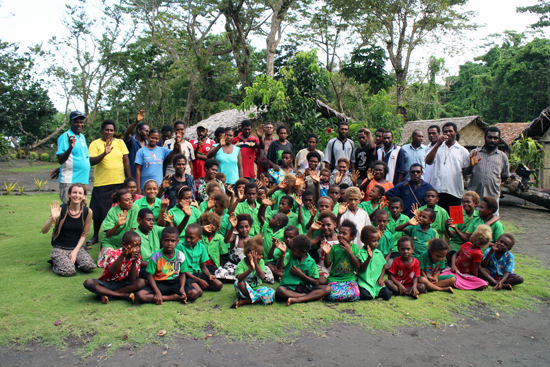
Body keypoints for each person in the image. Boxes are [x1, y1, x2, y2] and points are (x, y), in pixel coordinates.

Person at [88, 119, 131, 246]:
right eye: (106, 129)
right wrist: (104, 153)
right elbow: (91, 161)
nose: (109, 132)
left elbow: (126, 161)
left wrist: (128, 179)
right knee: (99, 211)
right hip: (102, 182)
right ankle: (95, 235)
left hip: (119, 182)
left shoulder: (120, 142)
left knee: (119, 208)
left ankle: (120, 233)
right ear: (102, 130)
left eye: (111, 130)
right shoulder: (95, 144)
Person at [41, 184, 96, 277]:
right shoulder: (61, 210)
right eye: (74, 192)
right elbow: (44, 230)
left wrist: (75, 251)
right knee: (69, 271)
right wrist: (52, 218)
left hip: (77, 248)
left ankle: (71, 261)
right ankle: (56, 263)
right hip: (60, 248)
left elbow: (84, 234)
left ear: (84, 196)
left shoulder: (87, 212)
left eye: (80, 193)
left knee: (88, 266)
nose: (77, 195)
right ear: (69, 194)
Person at [136, 227, 202, 304]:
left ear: (177, 241)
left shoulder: (180, 255)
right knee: (140, 296)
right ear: (161, 241)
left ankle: (172, 296)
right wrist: (157, 292)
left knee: (194, 293)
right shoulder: (156, 256)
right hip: (160, 283)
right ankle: (173, 297)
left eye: (172, 241)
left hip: (175, 282)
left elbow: (182, 274)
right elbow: (150, 276)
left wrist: (182, 288)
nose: (169, 243)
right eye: (166, 240)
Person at [83, 231, 145, 304]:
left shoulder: (137, 257)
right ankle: (121, 295)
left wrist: (134, 261)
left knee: (141, 282)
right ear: (124, 245)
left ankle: (108, 294)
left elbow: (132, 280)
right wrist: (123, 255)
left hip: (123, 284)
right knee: (88, 282)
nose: (137, 249)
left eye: (139, 246)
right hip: (108, 283)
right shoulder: (115, 253)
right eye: (134, 246)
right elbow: (111, 271)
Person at [425, 122, 469, 212]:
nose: (448, 134)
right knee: (440, 220)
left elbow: (467, 172)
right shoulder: (437, 147)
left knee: (455, 221)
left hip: (455, 191)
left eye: (450, 131)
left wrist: (472, 165)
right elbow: (428, 161)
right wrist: (437, 144)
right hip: (439, 191)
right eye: (445, 132)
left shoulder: (463, 151)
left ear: (456, 132)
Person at [275, 235, 331, 306]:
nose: (291, 251)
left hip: (304, 287)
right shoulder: (289, 255)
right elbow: (279, 267)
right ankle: (307, 296)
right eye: (291, 249)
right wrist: (283, 253)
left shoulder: (311, 262)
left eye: (294, 250)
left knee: (327, 288)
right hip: (289, 287)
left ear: (303, 252)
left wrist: (301, 274)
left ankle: (298, 299)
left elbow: (316, 282)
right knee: (280, 290)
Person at [465, 126, 510, 213]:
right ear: (485, 138)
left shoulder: (502, 157)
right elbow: (465, 173)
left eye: (495, 138)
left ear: (498, 139)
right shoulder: (475, 153)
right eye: (490, 137)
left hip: (492, 196)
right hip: (474, 196)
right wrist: (471, 165)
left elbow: (505, 176)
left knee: (491, 221)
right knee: (472, 220)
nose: (492, 140)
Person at [440, 225, 492, 291]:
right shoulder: (467, 244)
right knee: (448, 275)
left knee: (482, 283)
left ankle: (457, 282)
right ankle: (456, 282)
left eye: (472, 234)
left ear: (474, 239)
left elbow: (475, 270)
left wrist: (473, 279)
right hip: (455, 271)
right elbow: (455, 254)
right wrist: (453, 266)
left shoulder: (478, 254)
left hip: (465, 276)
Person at [56, 111, 91, 203]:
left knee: (81, 210)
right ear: (70, 122)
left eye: (81, 122)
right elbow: (61, 159)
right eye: (76, 122)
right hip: (70, 180)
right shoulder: (65, 137)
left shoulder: (82, 137)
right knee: (69, 210)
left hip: (82, 180)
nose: (79, 124)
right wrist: (70, 148)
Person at [177, 224, 224, 292]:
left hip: (199, 273)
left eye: (191, 238)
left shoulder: (201, 246)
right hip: (187, 275)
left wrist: (209, 275)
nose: (188, 239)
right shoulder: (180, 247)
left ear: (199, 238)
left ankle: (199, 285)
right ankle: (195, 286)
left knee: (219, 284)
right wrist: (198, 280)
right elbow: (182, 270)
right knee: (198, 292)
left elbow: (203, 267)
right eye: (186, 236)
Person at [322, 220, 361, 302]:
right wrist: (327, 254)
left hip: (349, 279)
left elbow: (357, 266)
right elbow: (327, 265)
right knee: (331, 295)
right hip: (335, 279)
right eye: (339, 233)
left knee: (356, 295)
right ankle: (342, 295)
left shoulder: (355, 248)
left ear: (352, 237)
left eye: (344, 234)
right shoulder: (334, 247)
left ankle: (341, 295)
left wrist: (350, 252)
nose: (340, 235)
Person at [231, 235, 274, 308]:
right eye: (260, 254)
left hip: (257, 289)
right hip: (245, 291)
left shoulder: (260, 262)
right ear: (250, 253)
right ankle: (259, 299)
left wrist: (255, 263)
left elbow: (263, 277)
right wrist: (251, 269)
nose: (262, 256)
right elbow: (240, 278)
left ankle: (246, 301)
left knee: (271, 292)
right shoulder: (241, 264)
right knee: (238, 283)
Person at [135, 129, 180, 193]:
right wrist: (138, 188)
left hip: (159, 187)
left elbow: (175, 154)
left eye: (156, 138)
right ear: (148, 136)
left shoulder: (162, 150)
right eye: (152, 138)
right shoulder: (141, 151)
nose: (154, 140)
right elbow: (138, 170)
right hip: (144, 187)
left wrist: (177, 144)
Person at [356, 226, 392, 301]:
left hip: (376, 282)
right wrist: (369, 257)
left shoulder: (378, 253)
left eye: (377, 241)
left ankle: (376, 294)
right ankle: (373, 295)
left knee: (387, 294)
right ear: (364, 241)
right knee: (364, 294)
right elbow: (362, 269)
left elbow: (383, 266)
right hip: (365, 282)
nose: (376, 243)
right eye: (374, 241)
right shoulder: (360, 253)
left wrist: (381, 278)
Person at [100, 189, 139, 257]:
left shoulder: (135, 207)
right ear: (118, 202)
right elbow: (108, 235)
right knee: (111, 261)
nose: (131, 202)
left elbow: (133, 230)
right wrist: (117, 225)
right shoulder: (112, 211)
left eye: (131, 198)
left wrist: (126, 247)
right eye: (127, 200)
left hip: (127, 243)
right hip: (111, 243)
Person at [123, 110, 148, 178]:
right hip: (132, 177)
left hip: (144, 178)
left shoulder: (148, 144)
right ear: (139, 130)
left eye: (148, 131)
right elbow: (126, 134)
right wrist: (136, 121)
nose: (147, 133)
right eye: (146, 131)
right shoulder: (132, 141)